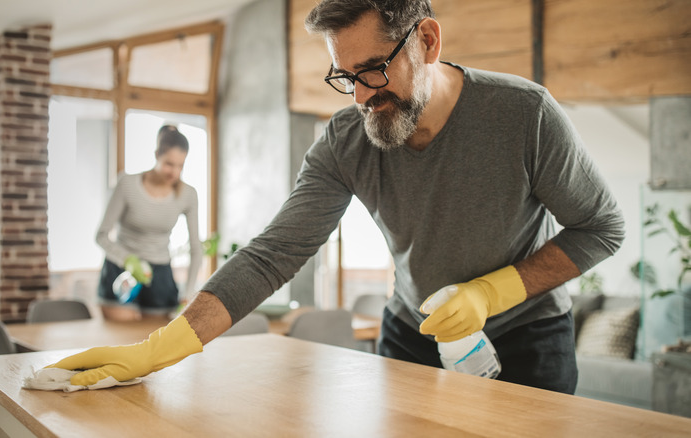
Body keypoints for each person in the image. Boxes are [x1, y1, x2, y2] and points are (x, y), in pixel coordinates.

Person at [50, 0, 624, 394]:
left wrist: (493, 290)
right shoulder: (347, 140)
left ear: (426, 39)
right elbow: (273, 254)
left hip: (527, 338)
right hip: (413, 335)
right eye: (344, 77)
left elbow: (602, 226)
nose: (361, 96)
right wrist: (164, 345)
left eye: (374, 69)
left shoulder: (524, 115)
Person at [95, 124, 202, 321]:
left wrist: (187, 294)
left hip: (160, 275)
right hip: (121, 270)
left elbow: (196, 248)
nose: (175, 172)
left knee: (154, 340)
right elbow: (101, 235)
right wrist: (127, 260)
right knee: (120, 340)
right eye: (169, 164)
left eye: (181, 165)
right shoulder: (127, 184)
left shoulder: (188, 195)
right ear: (156, 155)